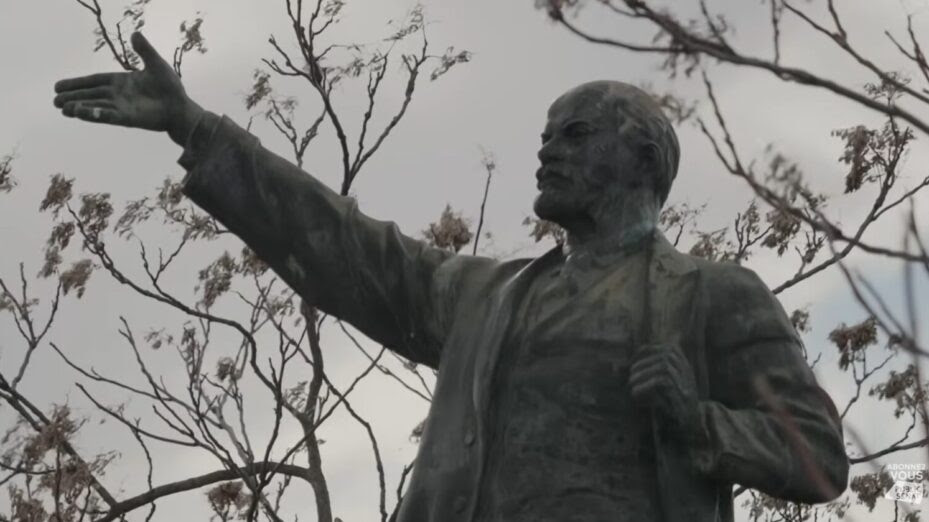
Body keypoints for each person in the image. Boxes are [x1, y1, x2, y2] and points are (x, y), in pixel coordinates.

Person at [54, 32, 849, 522]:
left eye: (573, 134)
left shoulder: (712, 294)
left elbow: (818, 457)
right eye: (545, 136)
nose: (546, 151)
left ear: (642, 158)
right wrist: (195, 127)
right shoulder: (485, 297)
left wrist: (698, 420)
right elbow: (344, 248)